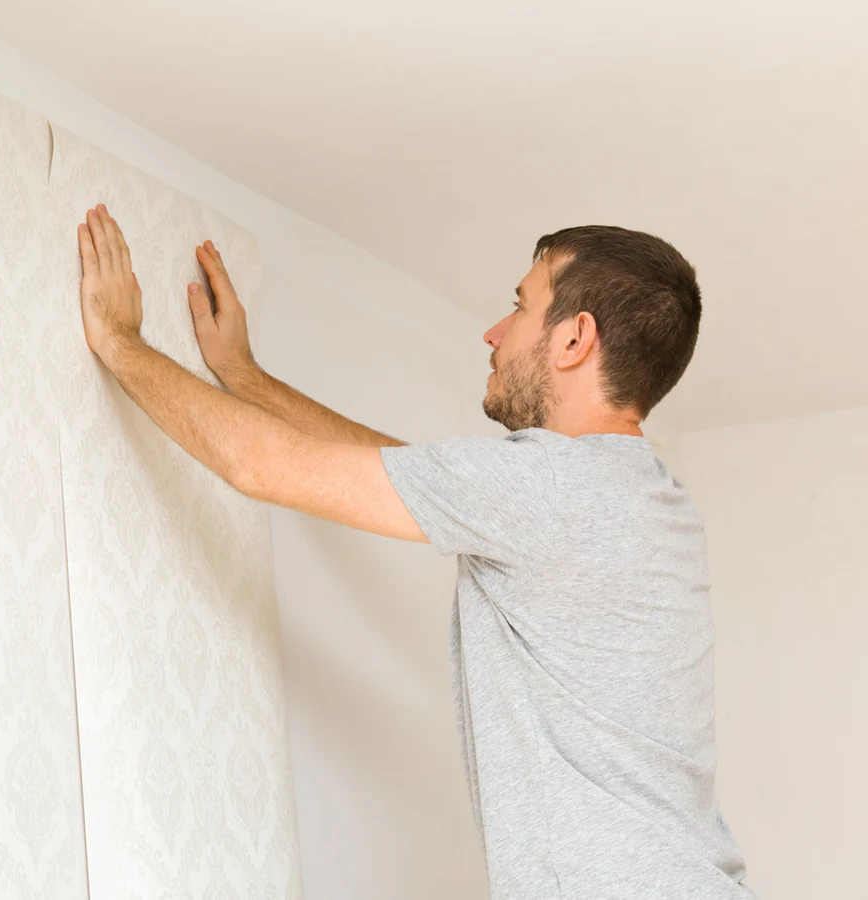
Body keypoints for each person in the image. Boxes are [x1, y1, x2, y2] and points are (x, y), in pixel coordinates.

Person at [75, 204, 756, 900]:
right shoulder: (638, 496)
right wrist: (246, 377)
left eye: (520, 307)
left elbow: (259, 467)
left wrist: (121, 342)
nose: (494, 333)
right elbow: (402, 473)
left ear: (575, 339)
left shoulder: (550, 488)